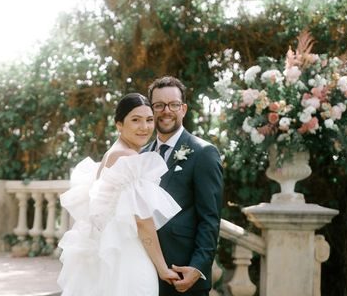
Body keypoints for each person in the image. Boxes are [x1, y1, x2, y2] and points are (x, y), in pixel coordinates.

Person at [57, 93, 182, 296]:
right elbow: (143, 222)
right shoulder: (128, 156)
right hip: (129, 256)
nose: (145, 127)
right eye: (135, 120)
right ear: (119, 125)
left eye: (149, 120)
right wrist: (162, 268)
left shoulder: (112, 153)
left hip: (110, 253)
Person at [144, 76, 223, 295]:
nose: (166, 110)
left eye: (174, 104)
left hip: (183, 274)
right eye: (158, 105)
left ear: (184, 108)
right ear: (151, 109)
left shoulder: (203, 153)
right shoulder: (141, 155)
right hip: (144, 272)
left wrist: (198, 267)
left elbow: (210, 218)